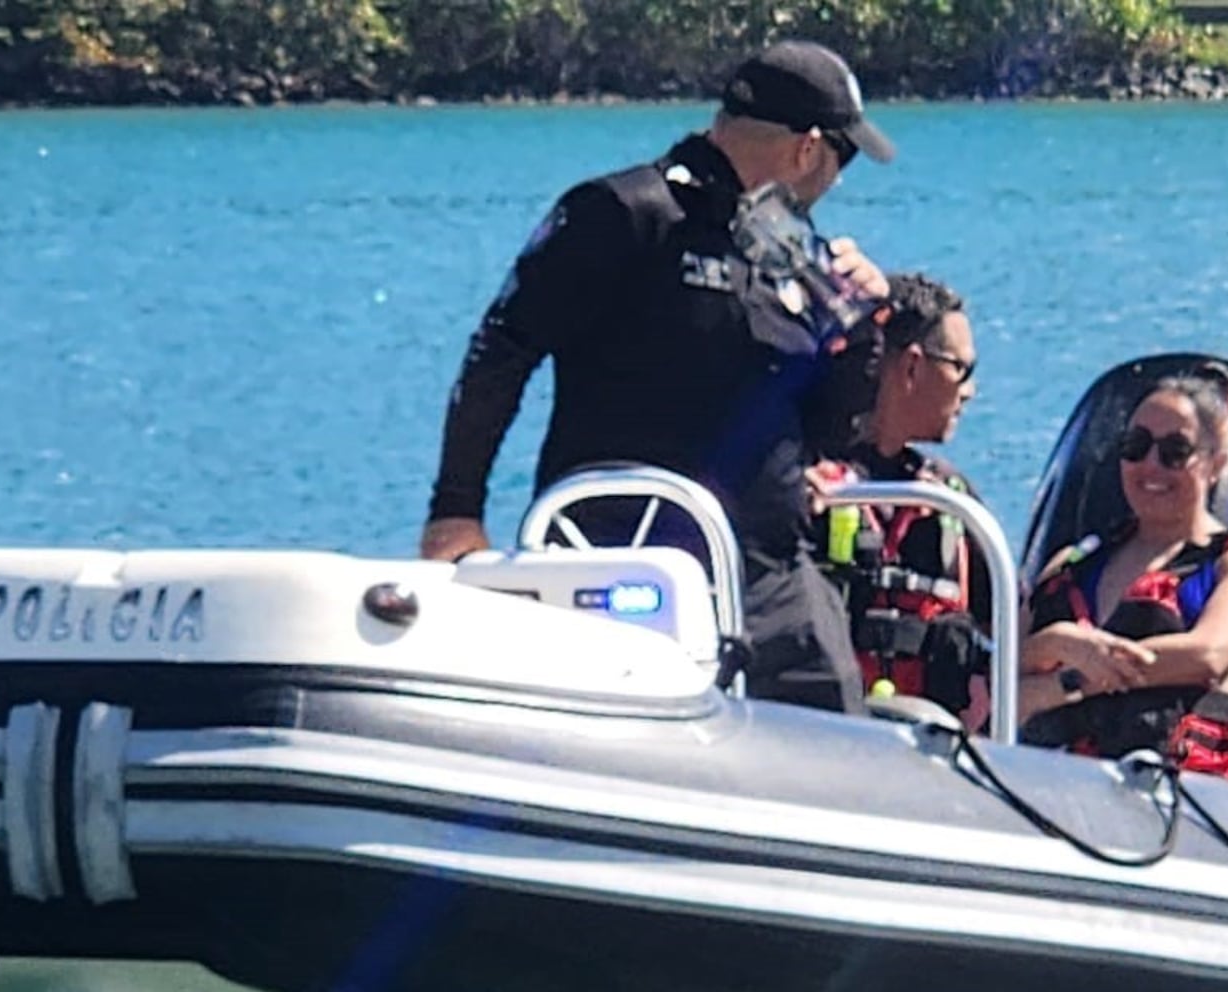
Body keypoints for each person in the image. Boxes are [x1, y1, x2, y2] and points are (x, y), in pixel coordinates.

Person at [420, 40, 895, 713]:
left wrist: (863, 330)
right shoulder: (620, 214)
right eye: (842, 159)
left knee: (845, 740)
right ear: (808, 149)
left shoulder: (799, 254)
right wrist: (455, 510)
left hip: (771, 576)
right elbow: (502, 351)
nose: (839, 181)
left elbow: (833, 427)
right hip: (625, 565)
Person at [1018, 374, 1228, 787]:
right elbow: (1005, 673)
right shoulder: (1070, 566)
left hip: (1193, 799)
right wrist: (1057, 644)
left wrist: (1073, 677)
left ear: (1216, 462)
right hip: (1053, 787)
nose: (1151, 466)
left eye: (1174, 452)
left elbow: (1207, 654)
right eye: (1136, 447)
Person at [812, 272, 990, 716]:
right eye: (961, 369)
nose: (969, 391)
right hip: (822, 740)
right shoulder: (808, 484)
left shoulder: (951, 499)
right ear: (912, 366)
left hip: (929, 754)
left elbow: (1010, 625)